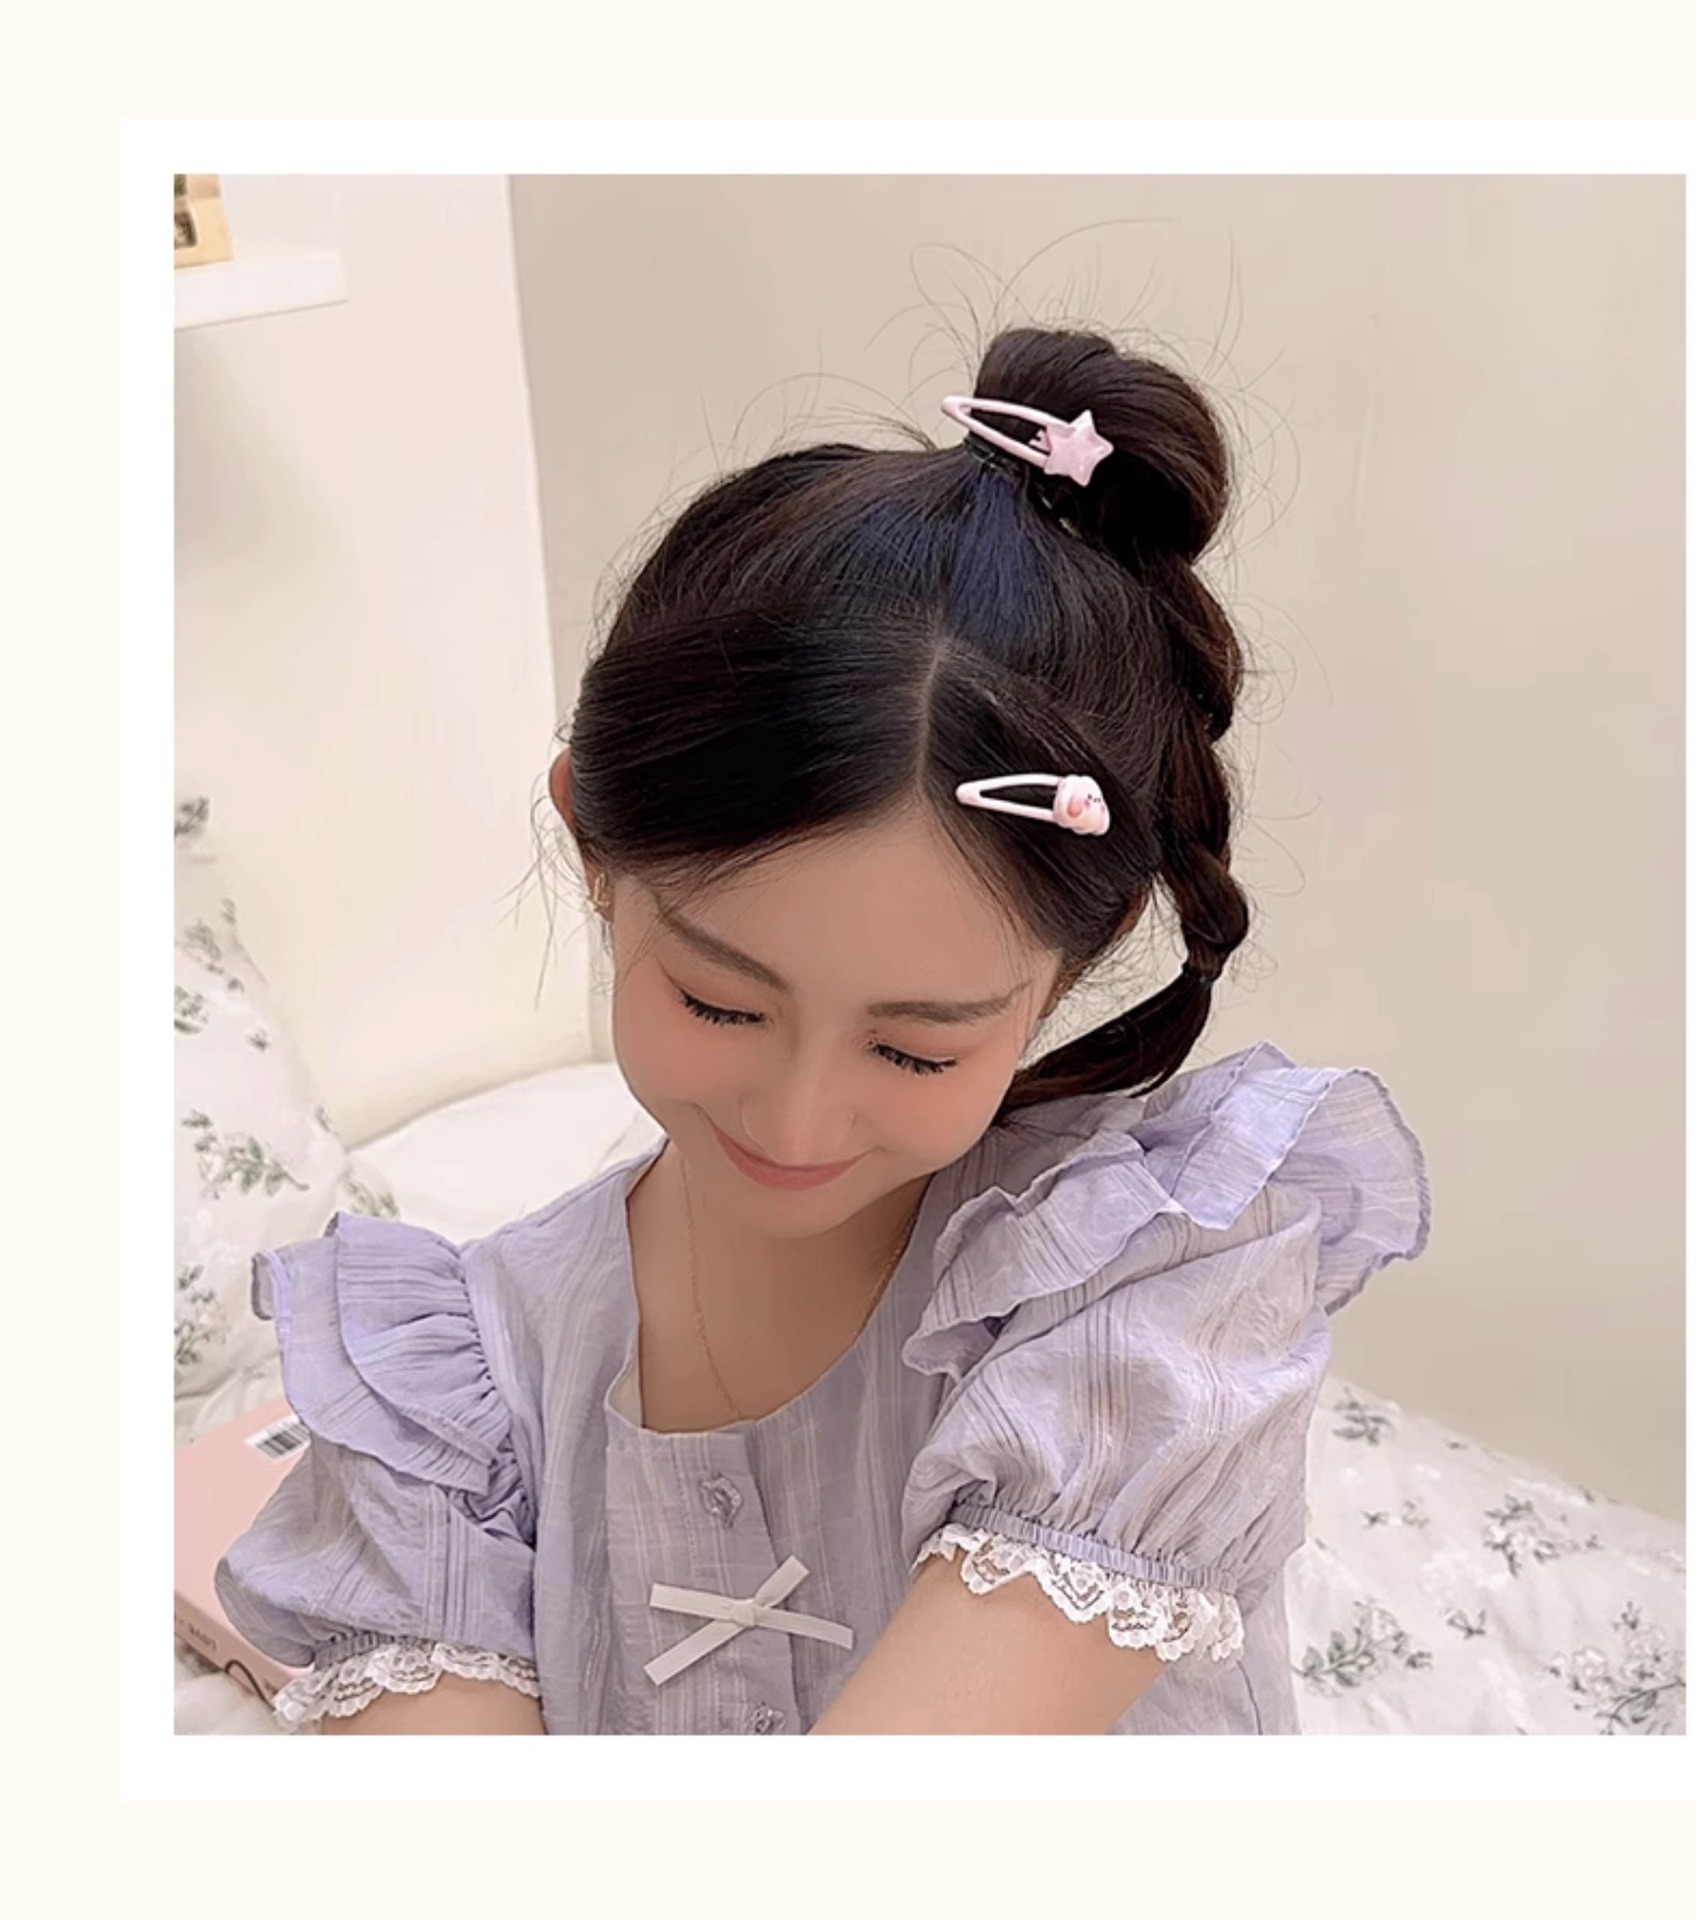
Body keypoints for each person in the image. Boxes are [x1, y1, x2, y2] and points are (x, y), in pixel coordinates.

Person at [215, 324, 1431, 1735]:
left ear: (1070, 968)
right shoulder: (446, 1400)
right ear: (593, 851)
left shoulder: (1148, 1301)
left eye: (916, 1049)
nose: (796, 1120)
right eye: (720, 1001)